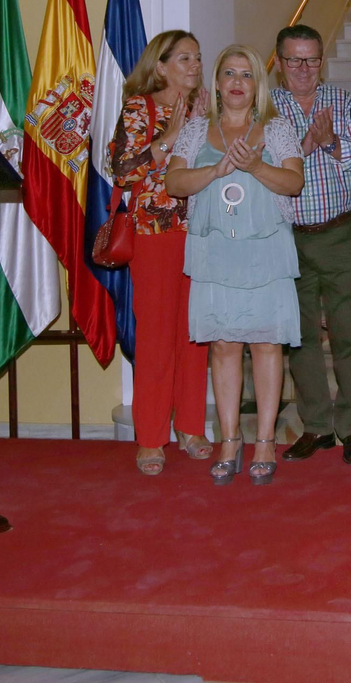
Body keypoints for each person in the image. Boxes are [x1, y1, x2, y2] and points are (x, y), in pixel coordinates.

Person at [165, 45, 304, 487]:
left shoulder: (277, 129)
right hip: (215, 253)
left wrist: (255, 165)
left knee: (266, 345)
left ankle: (264, 441)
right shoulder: (194, 131)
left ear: (257, 85)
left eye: (246, 74)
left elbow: (294, 181)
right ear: (218, 84)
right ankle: (229, 439)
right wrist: (217, 170)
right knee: (223, 345)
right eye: (229, 73)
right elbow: (174, 182)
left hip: (265, 252)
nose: (238, 82)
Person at [271, 25, 351, 466]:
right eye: (294, 60)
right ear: (278, 63)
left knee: (350, 333)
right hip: (286, 238)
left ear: (322, 61)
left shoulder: (343, 102)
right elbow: (263, 161)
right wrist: (304, 145)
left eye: (311, 60)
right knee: (299, 338)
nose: (303, 70)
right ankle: (316, 426)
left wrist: (329, 141)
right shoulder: (264, 107)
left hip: (337, 233)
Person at [111, 30, 213, 476]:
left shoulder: (205, 108)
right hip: (154, 233)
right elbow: (123, 172)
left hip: (202, 233)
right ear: (161, 66)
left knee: (194, 334)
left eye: (197, 57)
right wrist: (169, 136)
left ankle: (191, 427)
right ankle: (152, 436)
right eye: (185, 58)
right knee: (155, 336)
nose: (194, 65)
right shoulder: (140, 107)